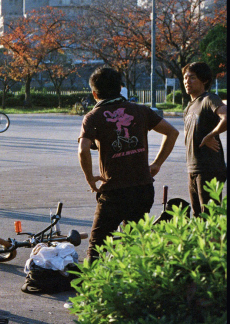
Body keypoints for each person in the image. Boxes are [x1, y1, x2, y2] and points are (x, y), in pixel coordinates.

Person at [77, 66, 179, 262]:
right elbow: (172, 133)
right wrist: (157, 164)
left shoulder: (93, 117)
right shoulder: (141, 111)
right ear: (120, 88)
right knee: (134, 242)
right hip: (143, 188)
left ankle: (92, 289)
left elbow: (83, 150)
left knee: (97, 246)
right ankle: (132, 284)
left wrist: (90, 179)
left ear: (94, 93)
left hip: (114, 191)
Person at [182, 62, 227, 215]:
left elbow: (226, 117)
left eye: (192, 77)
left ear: (204, 80)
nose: (187, 81)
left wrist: (211, 135)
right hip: (193, 168)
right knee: (198, 215)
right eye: (185, 78)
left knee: (211, 216)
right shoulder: (189, 106)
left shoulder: (209, 99)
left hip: (209, 168)